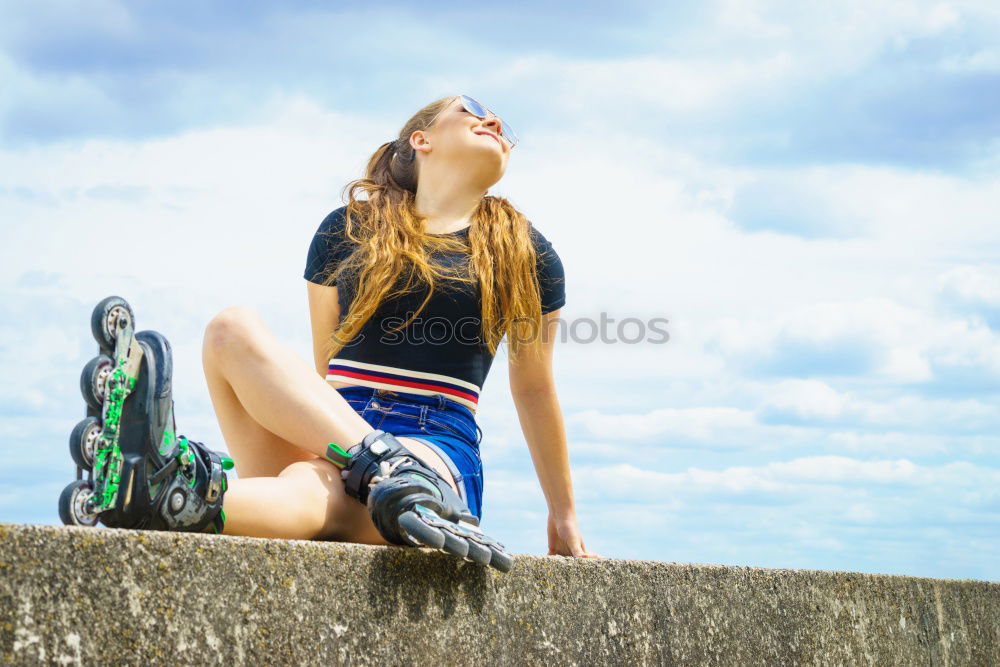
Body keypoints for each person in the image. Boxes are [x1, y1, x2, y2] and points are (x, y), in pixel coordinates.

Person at [66, 94, 600, 571]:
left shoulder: (526, 251)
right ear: (422, 140)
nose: (495, 121)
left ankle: (168, 487)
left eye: (500, 123)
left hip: (436, 443)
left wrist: (564, 514)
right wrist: (349, 450)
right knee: (229, 329)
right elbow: (326, 369)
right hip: (339, 426)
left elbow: (534, 388)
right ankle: (371, 466)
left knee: (310, 486)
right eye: (473, 111)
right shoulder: (345, 231)